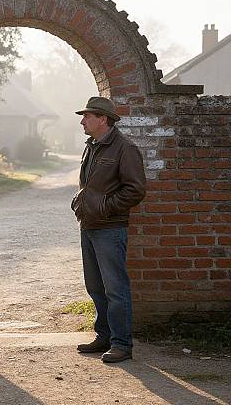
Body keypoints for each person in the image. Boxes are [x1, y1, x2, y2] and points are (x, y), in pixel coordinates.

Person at [71, 96, 146, 363]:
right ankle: (103, 336)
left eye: (87, 116)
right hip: (89, 226)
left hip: (110, 228)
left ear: (103, 119)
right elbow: (90, 185)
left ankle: (122, 344)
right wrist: (81, 202)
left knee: (115, 287)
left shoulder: (124, 149)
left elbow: (135, 190)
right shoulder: (91, 146)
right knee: (95, 286)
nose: (82, 120)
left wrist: (104, 207)